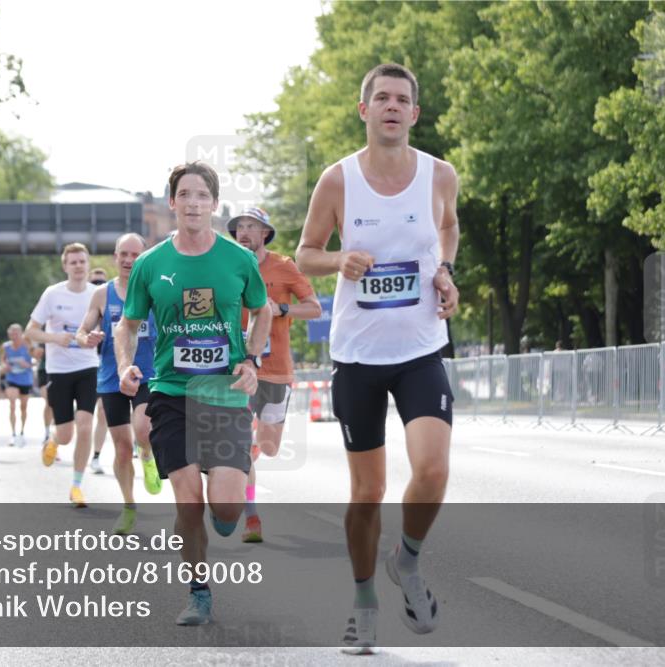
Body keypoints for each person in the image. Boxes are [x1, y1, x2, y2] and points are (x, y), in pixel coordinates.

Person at [296, 63, 459, 650]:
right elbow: (304, 254)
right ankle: (364, 600)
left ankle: (407, 561)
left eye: (403, 100)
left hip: (419, 349)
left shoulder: (440, 175)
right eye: (381, 98)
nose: (392, 107)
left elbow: (449, 231)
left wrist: (446, 274)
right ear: (363, 110)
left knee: (434, 470)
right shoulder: (337, 181)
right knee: (367, 492)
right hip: (359, 356)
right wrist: (338, 261)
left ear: (415, 114)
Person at [115, 161, 270, 626]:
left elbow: (262, 312)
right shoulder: (150, 263)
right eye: (185, 194)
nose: (193, 203)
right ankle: (198, 591)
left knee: (223, 508)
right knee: (188, 500)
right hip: (171, 392)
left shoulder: (239, 260)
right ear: (172, 203)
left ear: (214, 205)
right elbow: (128, 325)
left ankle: (228, 511)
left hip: (223, 393)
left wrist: (250, 358)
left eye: (202, 195)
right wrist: (126, 365)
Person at [228, 206, 321, 543]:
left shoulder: (283, 266)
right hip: (239, 369)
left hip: (277, 370)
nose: (244, 232)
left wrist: (281, 308)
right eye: (240, 226)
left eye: (251, 226)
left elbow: (315, 308)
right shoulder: (226, 264)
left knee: (267, 447)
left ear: (265, 233)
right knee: (239, 444)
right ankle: (251, 516)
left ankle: (251, 451)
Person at [77, 232, 163, 535]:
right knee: (122, 450)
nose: (128, 260)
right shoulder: (102, 294)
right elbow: (82, 329)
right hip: (112, 379)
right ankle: (128, 506)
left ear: (144, 258)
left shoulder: (155, 291)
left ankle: (150, 456)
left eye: (134, 255)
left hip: (147, 374)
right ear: (115, 256)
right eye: (123, 254)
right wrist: (86, 337)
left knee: (143, 430)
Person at [25, 243, 101, 507]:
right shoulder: (52, 294)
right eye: (73, 262)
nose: (79, 266)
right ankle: (54, 439)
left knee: (85, 426)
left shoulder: (97, 294)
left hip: (88, 367)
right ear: (65, 266)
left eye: (82, 261)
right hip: (58, 370)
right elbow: (30, 331)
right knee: (67, 434)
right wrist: (54, 337)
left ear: (88, 264)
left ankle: (77, 486)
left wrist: (96, 337)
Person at [87, 267, 110, 474]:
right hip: (88, 365)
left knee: (104, 412)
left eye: (101, 281)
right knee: (95, 412)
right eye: (94, 282)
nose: (98, 285)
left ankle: (140, 445)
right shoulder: (90, 301)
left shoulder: (109, 301)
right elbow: (80, 332)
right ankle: (95, 455)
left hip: (109, 363)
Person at [1, 323, 34, 446]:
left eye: (16, 333)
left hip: (25, 379)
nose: (14, 335)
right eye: (12, 333)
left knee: (23, 407)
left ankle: (22, 431)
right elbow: (2, 359)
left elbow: (35, 360)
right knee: (12, 403)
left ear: (21, 333)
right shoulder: (6, 347)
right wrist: (5, 365)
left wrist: (28, 365)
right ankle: (13, 433)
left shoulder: (27, 345)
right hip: (12, 378)